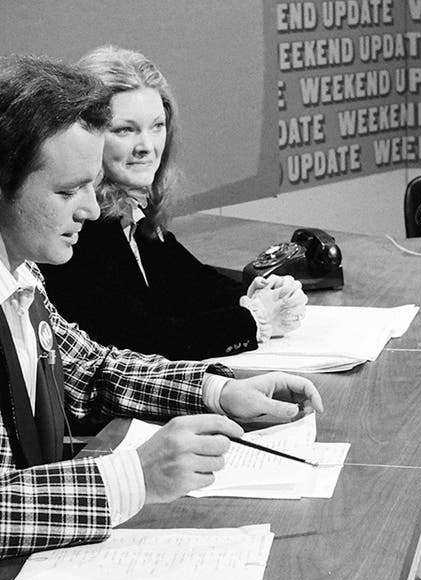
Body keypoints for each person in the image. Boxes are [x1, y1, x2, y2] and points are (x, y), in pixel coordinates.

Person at [0, 55, 323, 580]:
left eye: (91, 186)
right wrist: (131, 477)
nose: (92, 210)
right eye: (66, 191)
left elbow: (93, 373)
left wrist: (219, 392)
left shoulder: (13, 267)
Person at [41, 45, 307, 362]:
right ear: (87, 134)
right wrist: (254, 319)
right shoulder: (80, 226)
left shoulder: (130, 210)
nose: (147, 147)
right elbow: (144, 340)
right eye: (126, 130)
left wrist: (262, 292)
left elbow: (191, 282)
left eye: (157, 126)